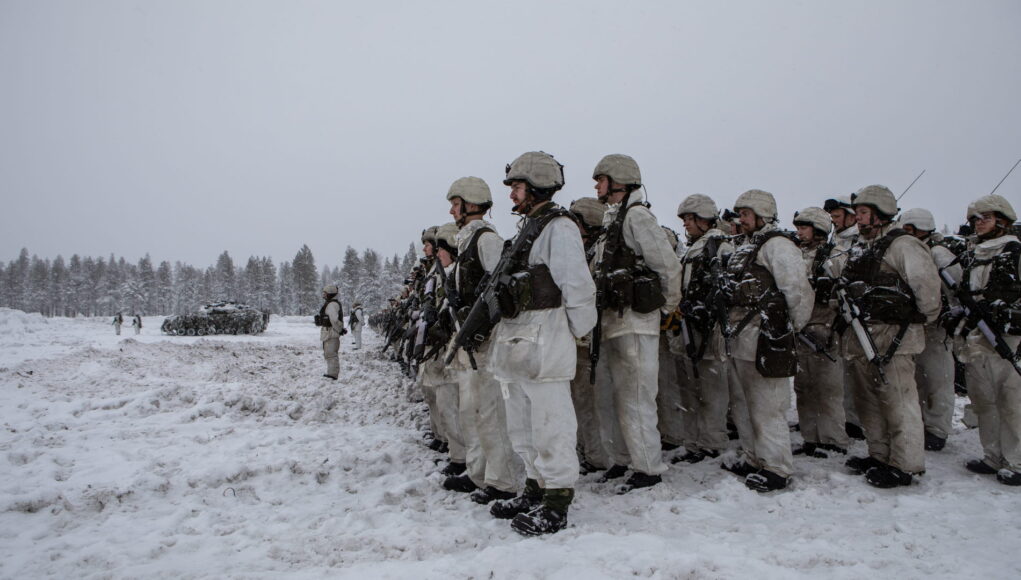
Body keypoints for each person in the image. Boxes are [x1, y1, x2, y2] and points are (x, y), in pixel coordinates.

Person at [486, 151, 597, 536]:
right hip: (517, 343)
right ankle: (534, 487)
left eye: (516, 187)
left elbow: (578, 288)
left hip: (546, 345)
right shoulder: (528, 229)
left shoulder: (558, 227)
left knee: (552, 426)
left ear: (535, 186)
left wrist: (575, 332)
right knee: (523, 427)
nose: (512, 195)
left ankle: (556, 500)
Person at [588, 154, 682, 493]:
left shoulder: (637, 217)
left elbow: (667, 264)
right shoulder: (614, 220)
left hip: (637, 320)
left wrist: (668, 309)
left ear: (619, 181)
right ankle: (630, 460)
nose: (597, 186)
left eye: (601, 179)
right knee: (620, 396)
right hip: (616, 320)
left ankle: (649, 467)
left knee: (638, 395)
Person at [841, 185, 940, 488]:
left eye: (862, 212)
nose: (857, 218)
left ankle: (906, 463)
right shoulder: (862, 247)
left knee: (899, 400)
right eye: (856, 213)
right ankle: (880, 454)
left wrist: (917, 318)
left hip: (895, 336)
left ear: (880, 212)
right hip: (863, 334)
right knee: (868, 401)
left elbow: (926, 287)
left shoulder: (904, 245)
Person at [721, 190, 814, 492]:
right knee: (744, 404)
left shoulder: (777, 245)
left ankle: (776, 466)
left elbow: (796, 290)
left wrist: (786, 330)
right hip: (741, 336)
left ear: (762, 214)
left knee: (768, 405)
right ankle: (753, 458)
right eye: (740, 214)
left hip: (765, 335)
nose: (741, 220)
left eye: (746, 214)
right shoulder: (744, 247)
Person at [443, 177, 523, 505]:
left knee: (491, 413)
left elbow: (501, 290)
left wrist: (486, 327)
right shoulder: (467, 242)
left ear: (471, 203)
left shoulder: (486, 240)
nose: (451, 210)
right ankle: (480, 473)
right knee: (475, 411)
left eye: (456, 203)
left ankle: (502, 481)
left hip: (490, 342)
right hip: (473, 342)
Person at [952, 195, 1021, 486]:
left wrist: (1005, 310)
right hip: (975, 335)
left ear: (1002, 220)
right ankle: (992, 455)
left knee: (1012, 400)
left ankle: (1016, 460)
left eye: (986, 218)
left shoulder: (1014, 252)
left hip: (1008, 337)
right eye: (975, 220)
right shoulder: (972, 253)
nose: (979, 224)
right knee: (983, 399)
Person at [673, 194, 735, 464]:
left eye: (690, 218)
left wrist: (707, 308)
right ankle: (694, 441)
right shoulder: (693, 248)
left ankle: (712, 441)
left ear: (704, 219)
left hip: (710, 326)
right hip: (690, 324)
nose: (686, 224)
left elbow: (726, 287)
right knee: (690, 387)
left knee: (712, 388)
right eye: (685, 219)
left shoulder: (720, 246)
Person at [899, 208, 960, 451]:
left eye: (910, 229)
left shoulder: (938, 254)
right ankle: (922, 423)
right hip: (915, 325)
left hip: (937, 326)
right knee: (917, 380)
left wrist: (947, 311)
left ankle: (937, 428)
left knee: (938, 379)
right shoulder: (909, 252)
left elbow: (956, 286)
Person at [791, 207, 848, 457]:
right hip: (800, 329)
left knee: (828, 389)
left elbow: (845, 292)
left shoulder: (834, 256)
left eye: (804, 227)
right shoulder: (794, 255)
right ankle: (810, 436)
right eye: (798, 228)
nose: (799, 232)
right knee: (804, 388)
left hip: (825, 329)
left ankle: (833, 439)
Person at [567, 197, 612, 472]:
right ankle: (588, 450)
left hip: (597, 337)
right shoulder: (582, 253)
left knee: (597, 401)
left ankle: (600, 455)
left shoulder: (600, 254)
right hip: (578, 338)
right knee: (580, 400)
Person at [825, 194, 864, 440]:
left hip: (857, 314)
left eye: (837, 217)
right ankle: (845, 417)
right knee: (842, 371)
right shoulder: (836, 242)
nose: (834, 221)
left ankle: (857, 420)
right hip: (836, 313)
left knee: (859, 371)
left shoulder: (860, 242)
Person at [317, 284, 347, 380]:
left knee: (331, 353)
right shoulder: (331, 303)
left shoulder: (331, 305)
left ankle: (333, 374)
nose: (323, 295)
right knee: (329, 353)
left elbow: (334, 320)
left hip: (331, 332)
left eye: (325, 293)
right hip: (330, 332)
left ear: (330, 293)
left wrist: (340, 329)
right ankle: (331, 373)